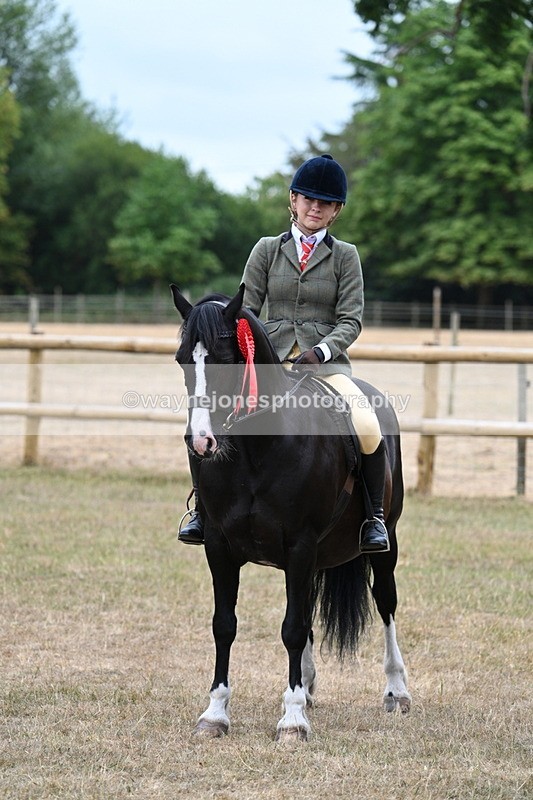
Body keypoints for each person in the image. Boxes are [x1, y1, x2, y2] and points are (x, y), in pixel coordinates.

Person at [178, 154, 389, 553]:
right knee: (206, 417)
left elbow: (351, 320)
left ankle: (374, 518)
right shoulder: (266, 250)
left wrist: (321, 351)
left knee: (367, 422)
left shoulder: (346, 256)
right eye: (308, 199)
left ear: (337, 210)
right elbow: (244, 310)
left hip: (325, 368)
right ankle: (202, 510)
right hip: (265, 364)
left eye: (325, 203)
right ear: (293, 200)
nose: (315, 208)